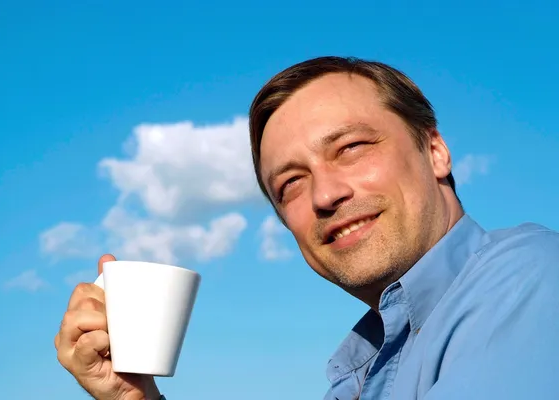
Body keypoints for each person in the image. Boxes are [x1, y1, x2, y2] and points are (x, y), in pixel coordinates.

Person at [55, 56, 559, 400]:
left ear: (435, 151)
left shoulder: (527, 280)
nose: (324, 195)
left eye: (351, 148)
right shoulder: (368, 366)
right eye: (291, 183)